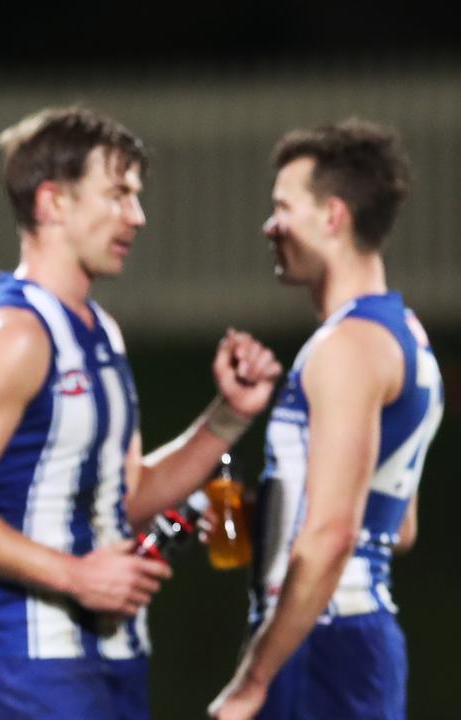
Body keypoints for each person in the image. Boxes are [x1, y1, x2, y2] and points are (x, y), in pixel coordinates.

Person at [0, 107, 281, 720]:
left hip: (117, 659)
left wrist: (228, 416)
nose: (137, 216)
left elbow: (128, 494)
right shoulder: (9, 335)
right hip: (28, 666)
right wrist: (73, 576)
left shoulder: (102, 332)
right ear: (53, 202)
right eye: (119, 194)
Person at [208, 120, 444, 720]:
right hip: (352, 638)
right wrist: (266, 516)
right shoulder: (405, 336)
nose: (270, 225)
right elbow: (397, 525)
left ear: (333, 216)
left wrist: (252, 680)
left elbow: (334, 534)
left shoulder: (348, 347)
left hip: (323, 641)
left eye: (283, 207)